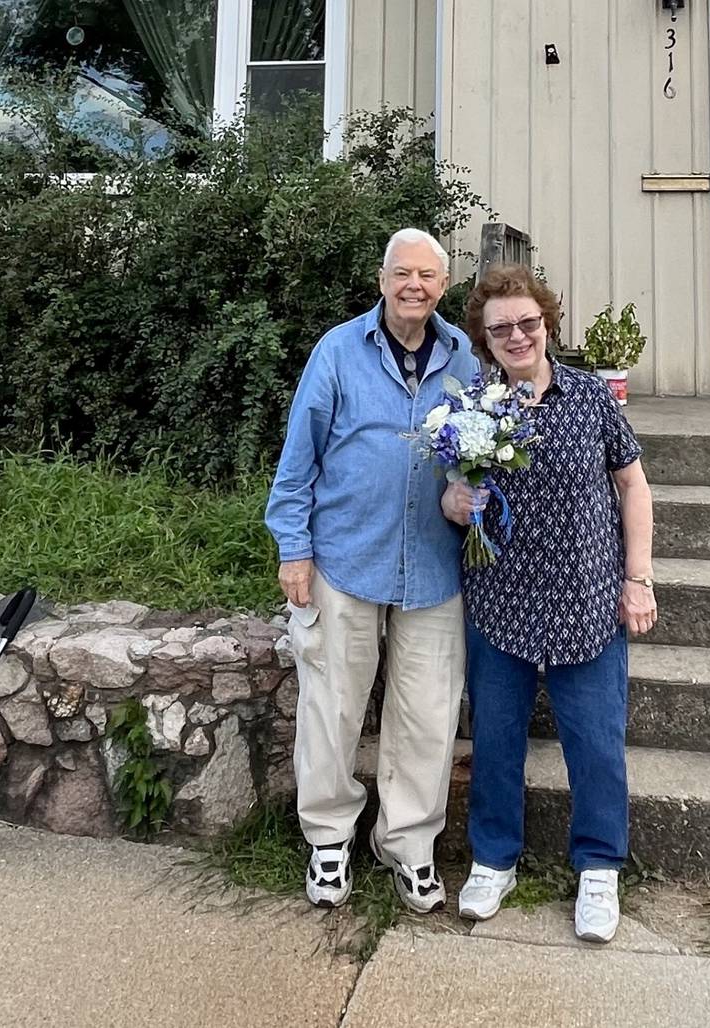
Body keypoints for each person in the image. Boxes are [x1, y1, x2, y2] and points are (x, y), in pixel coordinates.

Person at [265, 228, 481, 913]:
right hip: (345, 558)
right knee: (331, 708)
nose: (413, 284)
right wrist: (293, 549)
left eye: (427, 275)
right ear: (382, 279)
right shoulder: (337, 351)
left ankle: (409, 846)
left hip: (435, 568)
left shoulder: (463, 358)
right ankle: (329, 841)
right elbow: (298, 460)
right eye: (401, 272)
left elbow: (477, 456)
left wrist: (467, 495)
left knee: (427, 713)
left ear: (443, 287)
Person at [441, 263, 655, 943]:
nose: (516, 335)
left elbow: (633, 488)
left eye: (527, 323)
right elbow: (450, 498)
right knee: (497, 741)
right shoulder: (471, 405)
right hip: (500, 602)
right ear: (483, 335)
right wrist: (458, 501)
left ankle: (598, 869)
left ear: (546, 323)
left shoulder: (590, 397)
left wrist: (638, 577)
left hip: (585, 600)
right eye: (500, 327)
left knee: (594, 744)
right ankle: (493, 859)